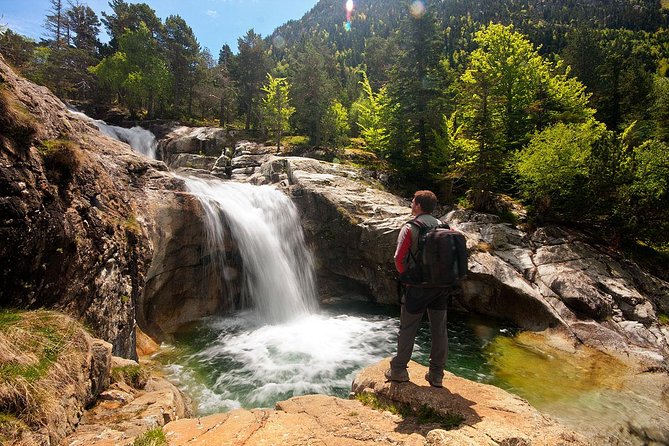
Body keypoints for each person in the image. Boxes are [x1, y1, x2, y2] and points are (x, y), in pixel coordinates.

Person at [385, 190, 450, 388]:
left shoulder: (410, 227)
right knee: (439, 328)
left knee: (408, 327)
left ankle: (398, 370)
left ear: (418, 206)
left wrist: (407, 276)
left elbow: (398, 258)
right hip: (441, 286)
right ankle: (436, 374)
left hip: (417, 286)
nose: (411, 204)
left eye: (413, 201)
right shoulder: (444, 226)